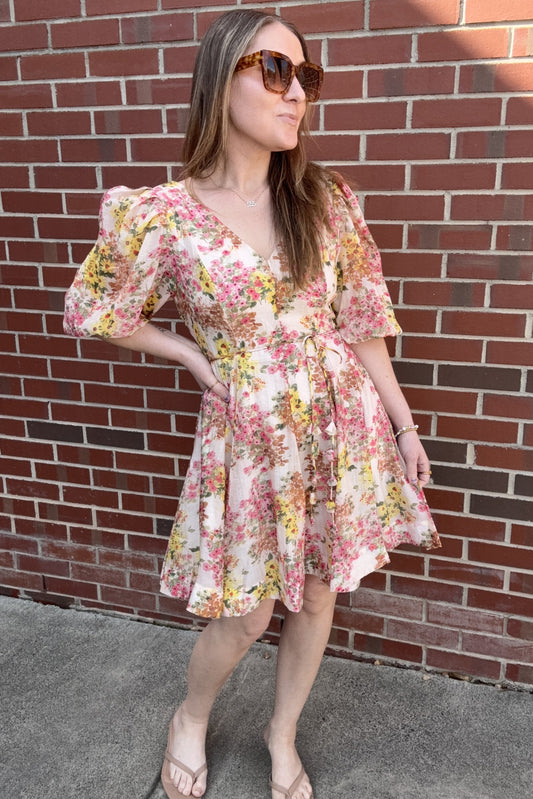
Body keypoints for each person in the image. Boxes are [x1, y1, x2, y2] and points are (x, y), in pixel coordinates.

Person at [64, 8, 440, 799]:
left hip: (338, 430)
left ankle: (280, 734)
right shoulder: (163, 216)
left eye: (306, 75)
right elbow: (96, 310)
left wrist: (403, 425)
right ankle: (191, 716)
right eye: (274, 71)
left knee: (315, 594)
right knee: (245, 614)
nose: (295, 92)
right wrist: (190, 353)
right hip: (248, 439)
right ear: (219, 79)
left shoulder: (325, 200)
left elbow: (363, 322)